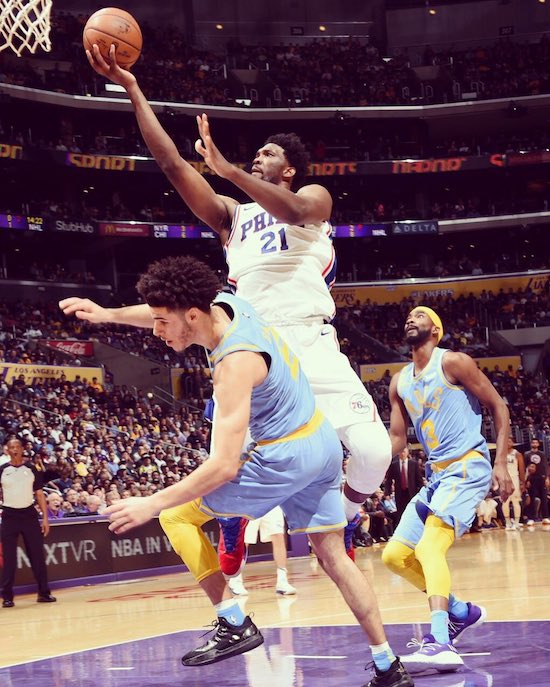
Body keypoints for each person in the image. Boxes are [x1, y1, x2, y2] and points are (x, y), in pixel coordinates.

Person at [59, 43, 392, 554]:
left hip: (312, 341)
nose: (258, 158)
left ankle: (346, 515)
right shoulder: (231, 217)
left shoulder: (314, 199)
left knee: (372, 452)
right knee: (228, 459)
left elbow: (295, 209)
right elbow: (171, 165)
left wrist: (230, 169)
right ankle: (234, 517)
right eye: (254, 154)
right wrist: (132, 88)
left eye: (268, 155)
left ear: (288, 170)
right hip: (256, 347)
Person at [100, 255, 412, 686]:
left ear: (192, 315)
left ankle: (232, 622)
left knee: (174, 515)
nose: (155, 330)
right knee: (333, 555)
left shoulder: (234, 364)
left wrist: (152, 503)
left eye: (161, 322)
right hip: (321, 442)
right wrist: (107, 314)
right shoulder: (230, 303)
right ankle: (387, 665)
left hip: (285, 457)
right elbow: (160, 309)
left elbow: (224, 465)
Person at [382, 306, 513, 674]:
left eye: (420, 315)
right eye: (407, 315)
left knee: (429, 547)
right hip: (435, 476)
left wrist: (500, 462)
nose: (411, 318)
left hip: (467, 465)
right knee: (393, 556)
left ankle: (440, 641)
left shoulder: (454, 362)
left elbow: (498, 407)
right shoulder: (398, 381)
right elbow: (396, 438)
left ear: (435, 331)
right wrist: (361, 462)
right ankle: (458, 611)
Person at [0, 437, 57, 607]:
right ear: (7, 450)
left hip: (29, 516)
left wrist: (45, 518)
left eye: (18, 446)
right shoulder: (2, 470)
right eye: (12, 447)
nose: (15, 449)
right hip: (9, 516)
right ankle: (7, 597)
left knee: (37, 556)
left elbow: (40, 494)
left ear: (23, 449)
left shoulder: (31, 468)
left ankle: (44, 593)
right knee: (9, 558)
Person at [226, 506, 296, 596]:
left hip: (272, 499)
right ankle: (235, 579)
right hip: (249, 501)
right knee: (245, 539)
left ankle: (282, 581)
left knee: (277, 534)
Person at [385, 446, 424, 525]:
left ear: (407, 452)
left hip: (412, 493)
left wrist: (421, 492)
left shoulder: (413, 464)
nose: (402, 453)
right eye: (401, 452)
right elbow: (388, 480)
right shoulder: (394, 465)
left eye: (404, 451)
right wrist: (387, 492)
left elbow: (419, 480)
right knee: (401, 513)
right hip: (399, 493)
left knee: (412, 511)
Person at [523, 438, 550, 525]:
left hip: (541, 478)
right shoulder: (527, 454)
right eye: (533, 442)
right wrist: (526, 480)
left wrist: (547, 478)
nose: (534, 444)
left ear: (538, 444)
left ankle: (545, 517)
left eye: (536, 442)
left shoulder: (542, 454)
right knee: (532, 498)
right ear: (531, 444)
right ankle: (531, 518)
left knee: (544, 498)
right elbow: (525, 468)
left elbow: (545, 466)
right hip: (531, 479)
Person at [502, 436, 525, 530]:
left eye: (510, 441)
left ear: (513, 443)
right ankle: (507, 522)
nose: (508, 443)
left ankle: (516, 522)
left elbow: (522, 469)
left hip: (515, 479)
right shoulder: (501, 454)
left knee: (515, 501)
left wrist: (522, 482)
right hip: (504, 480)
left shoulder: (517, 454)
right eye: (506, 441)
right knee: (505, 501)